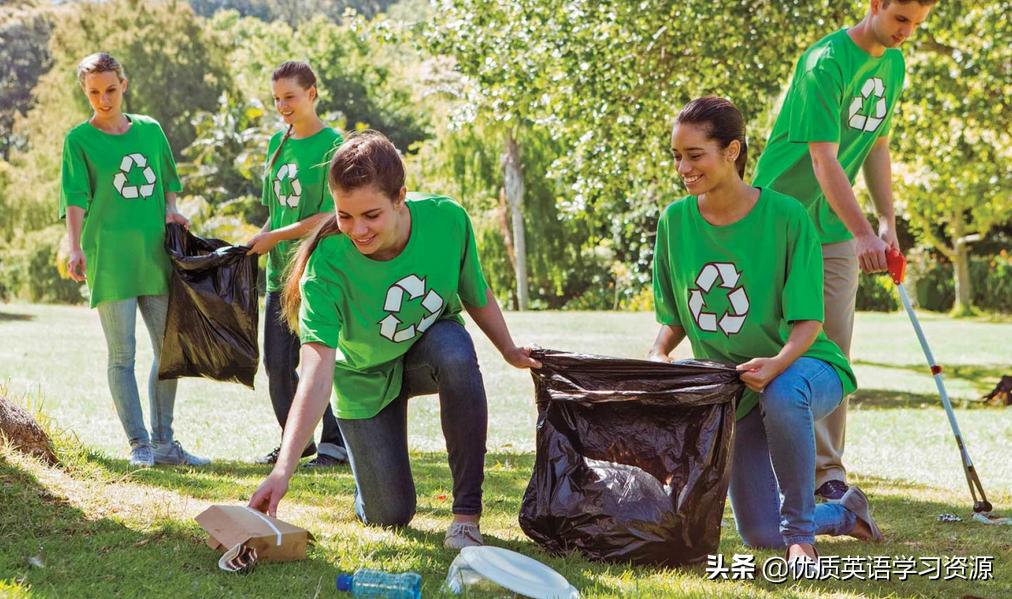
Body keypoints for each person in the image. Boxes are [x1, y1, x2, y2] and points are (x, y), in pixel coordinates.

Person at [248, 131, 540, 549]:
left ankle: (465, 517)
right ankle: (370, 483)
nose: (357, 230)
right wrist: (284, 469)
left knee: (455, 350)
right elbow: (315, 372)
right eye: (344, 216)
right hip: (363, 378)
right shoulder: (327, 266)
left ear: (400, 196)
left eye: (371, 215)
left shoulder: (447, 219)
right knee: (390, 515)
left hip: (425, 352)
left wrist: (509, 350)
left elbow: (475, 291)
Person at [648, 97, 882, 569]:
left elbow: (808, 323)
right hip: (738, 386)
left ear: (732, 151)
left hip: (807, 367)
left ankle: (802, 537)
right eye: (677, 156)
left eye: (695, 155)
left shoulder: (787, 216)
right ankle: (843, 514)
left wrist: (776, 364)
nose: (683, 167)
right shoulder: (674, 222)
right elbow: (673, 316)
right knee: (757, 534)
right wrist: (658, 353)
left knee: (783, 390)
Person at [752, 0, 937, 502]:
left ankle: (826, 476)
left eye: (917, 24)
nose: (906, 33)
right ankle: (756, 466)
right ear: (875, 5)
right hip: (780, 219)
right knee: (777, 342)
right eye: (900, 19)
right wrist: (862, 234)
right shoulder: (825, 62)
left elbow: (876, 145)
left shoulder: (893, 64)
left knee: (833, 347)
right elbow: (822, 158)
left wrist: (884, 222)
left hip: (834, 224)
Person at [59, 52, 208, 467]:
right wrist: (74, 247)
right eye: (93, 92)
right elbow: (74, 198)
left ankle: (165, 442)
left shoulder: (150, 131)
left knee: (168, 351)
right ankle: (139, 444)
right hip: (109, 259)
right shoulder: (79, 141)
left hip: (155, 256)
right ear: (85, 92)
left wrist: (171, 209)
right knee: (122, 355)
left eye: (110, 89)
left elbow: (168, 181)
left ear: (124, 84)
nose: (103, 99)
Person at [246, 61, 347, 468]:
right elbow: (278, 211)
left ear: (312, 93)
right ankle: (297, 441)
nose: (282, 106)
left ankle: (334, 445)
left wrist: (275, 237)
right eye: (277, 99)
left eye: (290, 96)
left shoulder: (333, 146)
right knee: (276, 365)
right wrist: (259, 238)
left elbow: (328, 216)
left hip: (317, 272)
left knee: (320, 360)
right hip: (277, 274)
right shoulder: (277, 143)